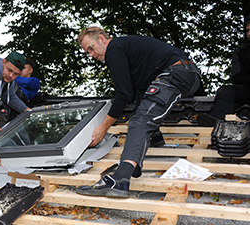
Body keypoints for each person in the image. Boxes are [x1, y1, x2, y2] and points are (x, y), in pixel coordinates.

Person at [75, 27, 201, 198]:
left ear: (102, 39)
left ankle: (120, 179)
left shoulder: (114, 48)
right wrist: (154, 138)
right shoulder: (132, 56)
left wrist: (103, 127)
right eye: (86, 53)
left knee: (139, 121)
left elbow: (123, 94)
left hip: (176, 72)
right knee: (142, 112)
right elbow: (139, 99)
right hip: (186, 73)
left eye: (90, 48)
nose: (90, 55)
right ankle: (154, 144)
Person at [197, 14, 250, 126]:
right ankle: (217, 120)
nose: (249, 34)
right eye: (247, 31)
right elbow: (236, 77)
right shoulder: (241, 53)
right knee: (226, 91)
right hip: (247, 90)